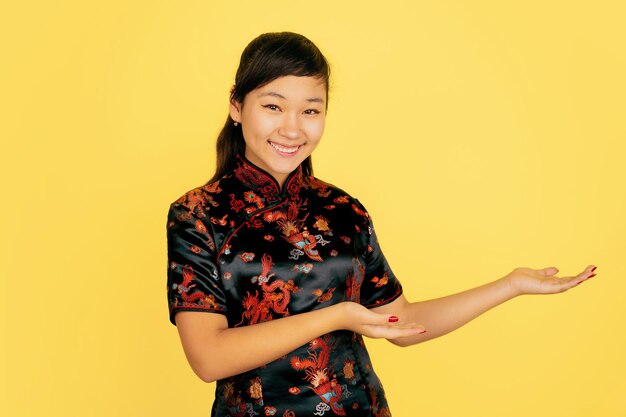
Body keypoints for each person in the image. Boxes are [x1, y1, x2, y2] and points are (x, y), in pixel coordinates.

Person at [165, 31, 597, 417]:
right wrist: (336, 316)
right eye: (273, 106)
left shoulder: (342, 209)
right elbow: (209, 358)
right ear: (237, 106)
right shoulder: (198, 214)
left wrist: (510, 285)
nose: (292, 129)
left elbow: (401, 324)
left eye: (310, 111)